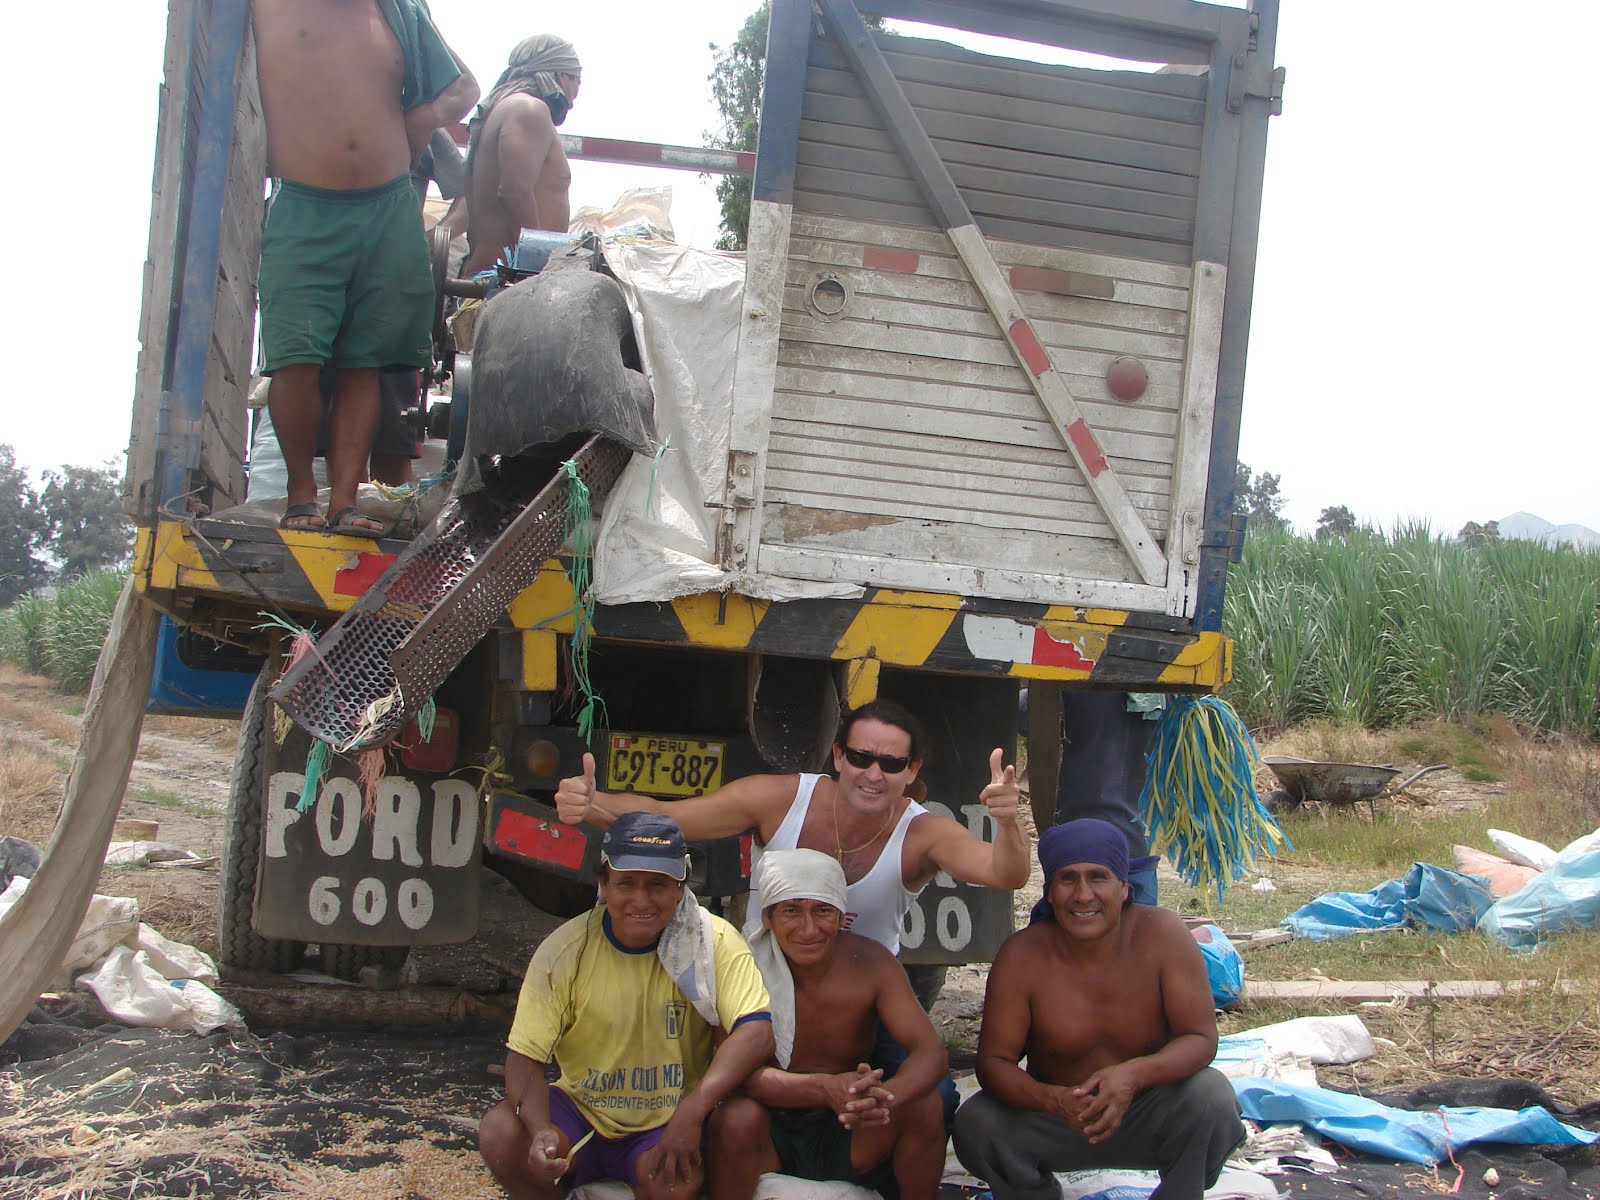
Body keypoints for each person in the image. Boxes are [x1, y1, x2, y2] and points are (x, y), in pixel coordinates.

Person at [252, 0, 478, 536]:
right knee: (296, 359)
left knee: (365, 364)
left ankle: (345, 502)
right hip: (305, 206)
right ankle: (301, 495)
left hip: (387, 207)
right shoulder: (263, 7)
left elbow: (463, 86)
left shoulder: (398, 9)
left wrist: (422, 117)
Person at [477, 812, 774, 1200]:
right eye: (626, 884)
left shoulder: (712, 941)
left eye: (658, 885)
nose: (641, 900)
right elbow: (524, 1057)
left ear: (681, 887)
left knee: (674, 1183)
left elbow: (756, 1030)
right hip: (582, 1110)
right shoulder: (566, 950)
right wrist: (540, 1131)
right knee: (500, 1133)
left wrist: (693, 1111)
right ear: (603, 883)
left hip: (665, 1118)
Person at [952, 819, 1244, 1200]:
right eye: (1068, 879)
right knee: (978, 1124)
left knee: (1213, 1098)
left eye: (1099, 877)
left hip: (1147, 1114)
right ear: (1050, 894)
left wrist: (1134, 1076)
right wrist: (1053, 1100)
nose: (1083, 895)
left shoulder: (1164, 937)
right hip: (1058, 1119)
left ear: (1124, 888)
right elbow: (994, 1063)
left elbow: (1201, 1038)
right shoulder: (1022, 956)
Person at [708, 849, 948, 1200]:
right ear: (768, 918)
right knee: (735, 1117)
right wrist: (823, 1088)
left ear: (840, 916)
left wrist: (882, 1099)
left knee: (924, 1105)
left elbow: (930, 1053)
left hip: (849, 1125)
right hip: (769, 1130)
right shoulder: (742, 968)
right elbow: (733, 1075)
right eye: (791, 910)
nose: (809, 928)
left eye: (822, 911)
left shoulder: (871, 963)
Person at [463, 35, 582, 276]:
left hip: (499, 277)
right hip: (509, 279)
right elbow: (514, 192)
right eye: (577, 81)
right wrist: (539, 264)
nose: (575, 97)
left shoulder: (503, 110)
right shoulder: (529, 110)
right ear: (561, 76)